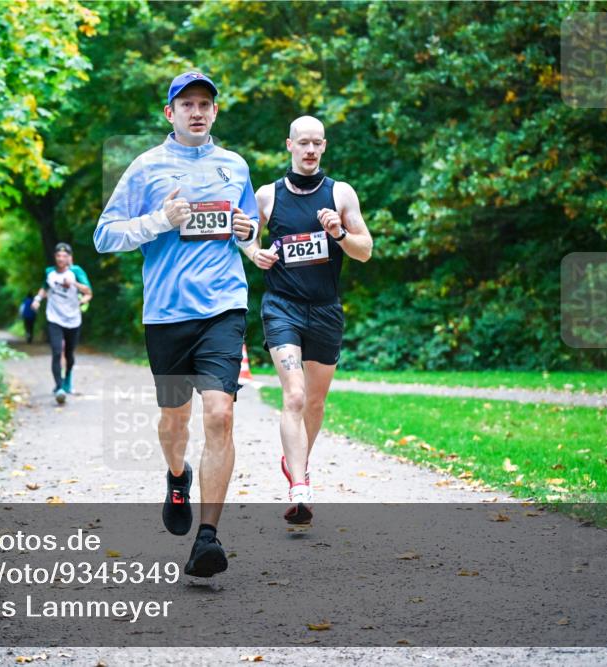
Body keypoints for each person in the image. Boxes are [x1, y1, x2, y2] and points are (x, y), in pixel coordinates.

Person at [94, 71, 259, 577]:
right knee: (175, 422)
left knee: (220, 416)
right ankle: (176, 474)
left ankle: (208, 538)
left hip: (224, 307)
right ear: (170, 113)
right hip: (166, 313)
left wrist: (247, 231)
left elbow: (248, 231)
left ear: (215, 112)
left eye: (205, 103)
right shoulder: (145, 168)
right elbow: (105, 236)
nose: (196, 111)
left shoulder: (234, 165)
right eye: (186, 103)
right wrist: (159, 221)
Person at [242, 116, 373, 525]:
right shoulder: (267, 195)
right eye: (303, 143)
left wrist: (338, 234)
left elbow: (365, 250)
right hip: (282, 306)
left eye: (317, 143)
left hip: (326, 309)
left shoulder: (341, 193)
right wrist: (254, 253)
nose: (311, 150)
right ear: (289, 145)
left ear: (325, 146)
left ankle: (296, 464)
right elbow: (246, 233)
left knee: (315, 402)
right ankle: (299, 486)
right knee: (295, 395)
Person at [32, 243, 92, 404]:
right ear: (55, 257)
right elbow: (44, 288)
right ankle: (59, 388)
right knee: (57, 351)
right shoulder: (49, 272)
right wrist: (37, 300)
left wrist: (73, 284)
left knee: (69, 354)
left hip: (73, 319)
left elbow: (88, 292)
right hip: (54, 317)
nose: (61, 259)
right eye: (58, 256)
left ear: (69, 257)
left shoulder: (76, 272)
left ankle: (67, 379)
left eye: (64, 256)